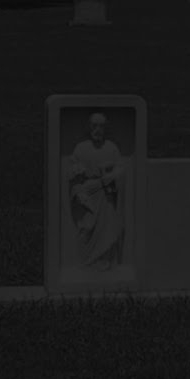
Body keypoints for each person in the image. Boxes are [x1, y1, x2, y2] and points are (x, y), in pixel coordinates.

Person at [63, 113, 126, 270]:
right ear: (89, 127)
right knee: (87, 227)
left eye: (101, 126)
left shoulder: (111, 147)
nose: (97, 129)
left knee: (108, 228)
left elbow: (120, 168)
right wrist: (77, 173)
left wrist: (111, 176)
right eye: (94, 125)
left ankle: (105, 263)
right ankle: (86, 263)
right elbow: (71, 172)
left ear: (105, 128)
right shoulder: (81, 148)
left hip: (106, 194)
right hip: (89, 192)